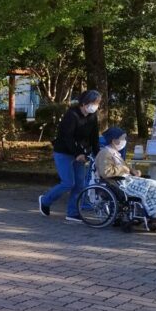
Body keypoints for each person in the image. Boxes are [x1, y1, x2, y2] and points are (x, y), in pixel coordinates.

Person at [95, 126, 156, 226]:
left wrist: (133, 171)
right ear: (114, 140)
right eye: (122, 138)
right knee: (152, 185)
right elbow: (106, 172)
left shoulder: (115, 153)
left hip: (127, 179)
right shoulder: (105, 153)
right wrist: (124, 169)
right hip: (119, 184)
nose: (124, 141)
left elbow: (124, 167)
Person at [39, 90, 101, 223]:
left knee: (80, 184)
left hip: (81, 153)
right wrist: (77, 153)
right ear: (84, 103)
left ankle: (73, 213)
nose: (95, 106)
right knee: (68, 183)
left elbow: (94, 138)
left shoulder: (92, 116)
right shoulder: (71, 115)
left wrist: (98, 155)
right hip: (64, 152)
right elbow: (67, 137)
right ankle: (45, 200)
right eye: (93, 103)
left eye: (97, 103)